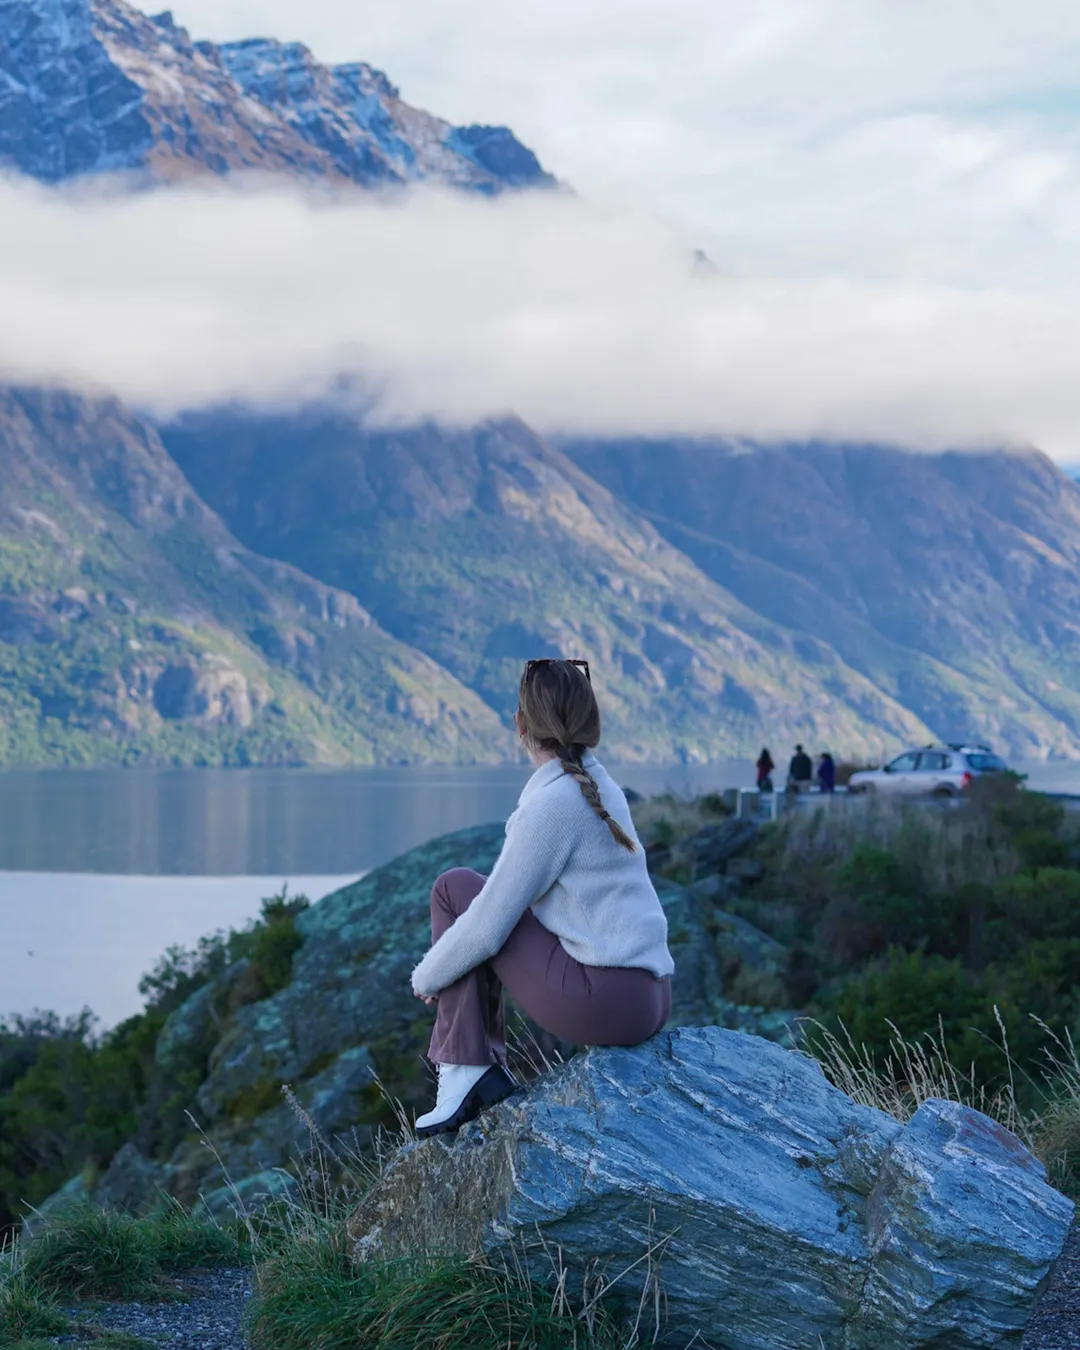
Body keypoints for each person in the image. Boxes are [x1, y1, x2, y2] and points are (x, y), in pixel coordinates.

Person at [410, 658, 674, 1138]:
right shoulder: (599, 786)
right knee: (476, 898)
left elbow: (487, 927)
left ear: (521, 725)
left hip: (606, 1002)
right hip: (651, 998)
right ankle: (473, 1068)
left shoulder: (554, 805)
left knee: (455, 890)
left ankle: (466, 1070)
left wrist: (428, 974)